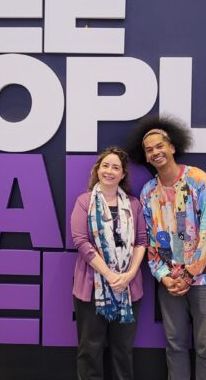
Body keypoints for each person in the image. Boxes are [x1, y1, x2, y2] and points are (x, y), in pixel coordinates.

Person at [127, 116, 206, 380]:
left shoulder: (197, 179)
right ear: (146, 157)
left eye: (160, 146)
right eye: (149, 149)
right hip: (170, 282)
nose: (155, 152)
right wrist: (163, 276)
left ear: (172, 147)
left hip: (205, 278)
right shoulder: (148, 193)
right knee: (175, 346)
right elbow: (148, 241)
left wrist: (189, 273)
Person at [71, 146, 148, 380]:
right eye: (105, 165)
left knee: (123, 352)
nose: (110, 171)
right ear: (98, 170)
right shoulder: (84, 202)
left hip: (127, 288)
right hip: (91, 289)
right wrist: (110, 275)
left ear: (123, 174)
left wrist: (129, 274)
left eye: (116, 167)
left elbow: (141, 241)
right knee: (90, 350)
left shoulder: (133, 205)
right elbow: (81, 241)